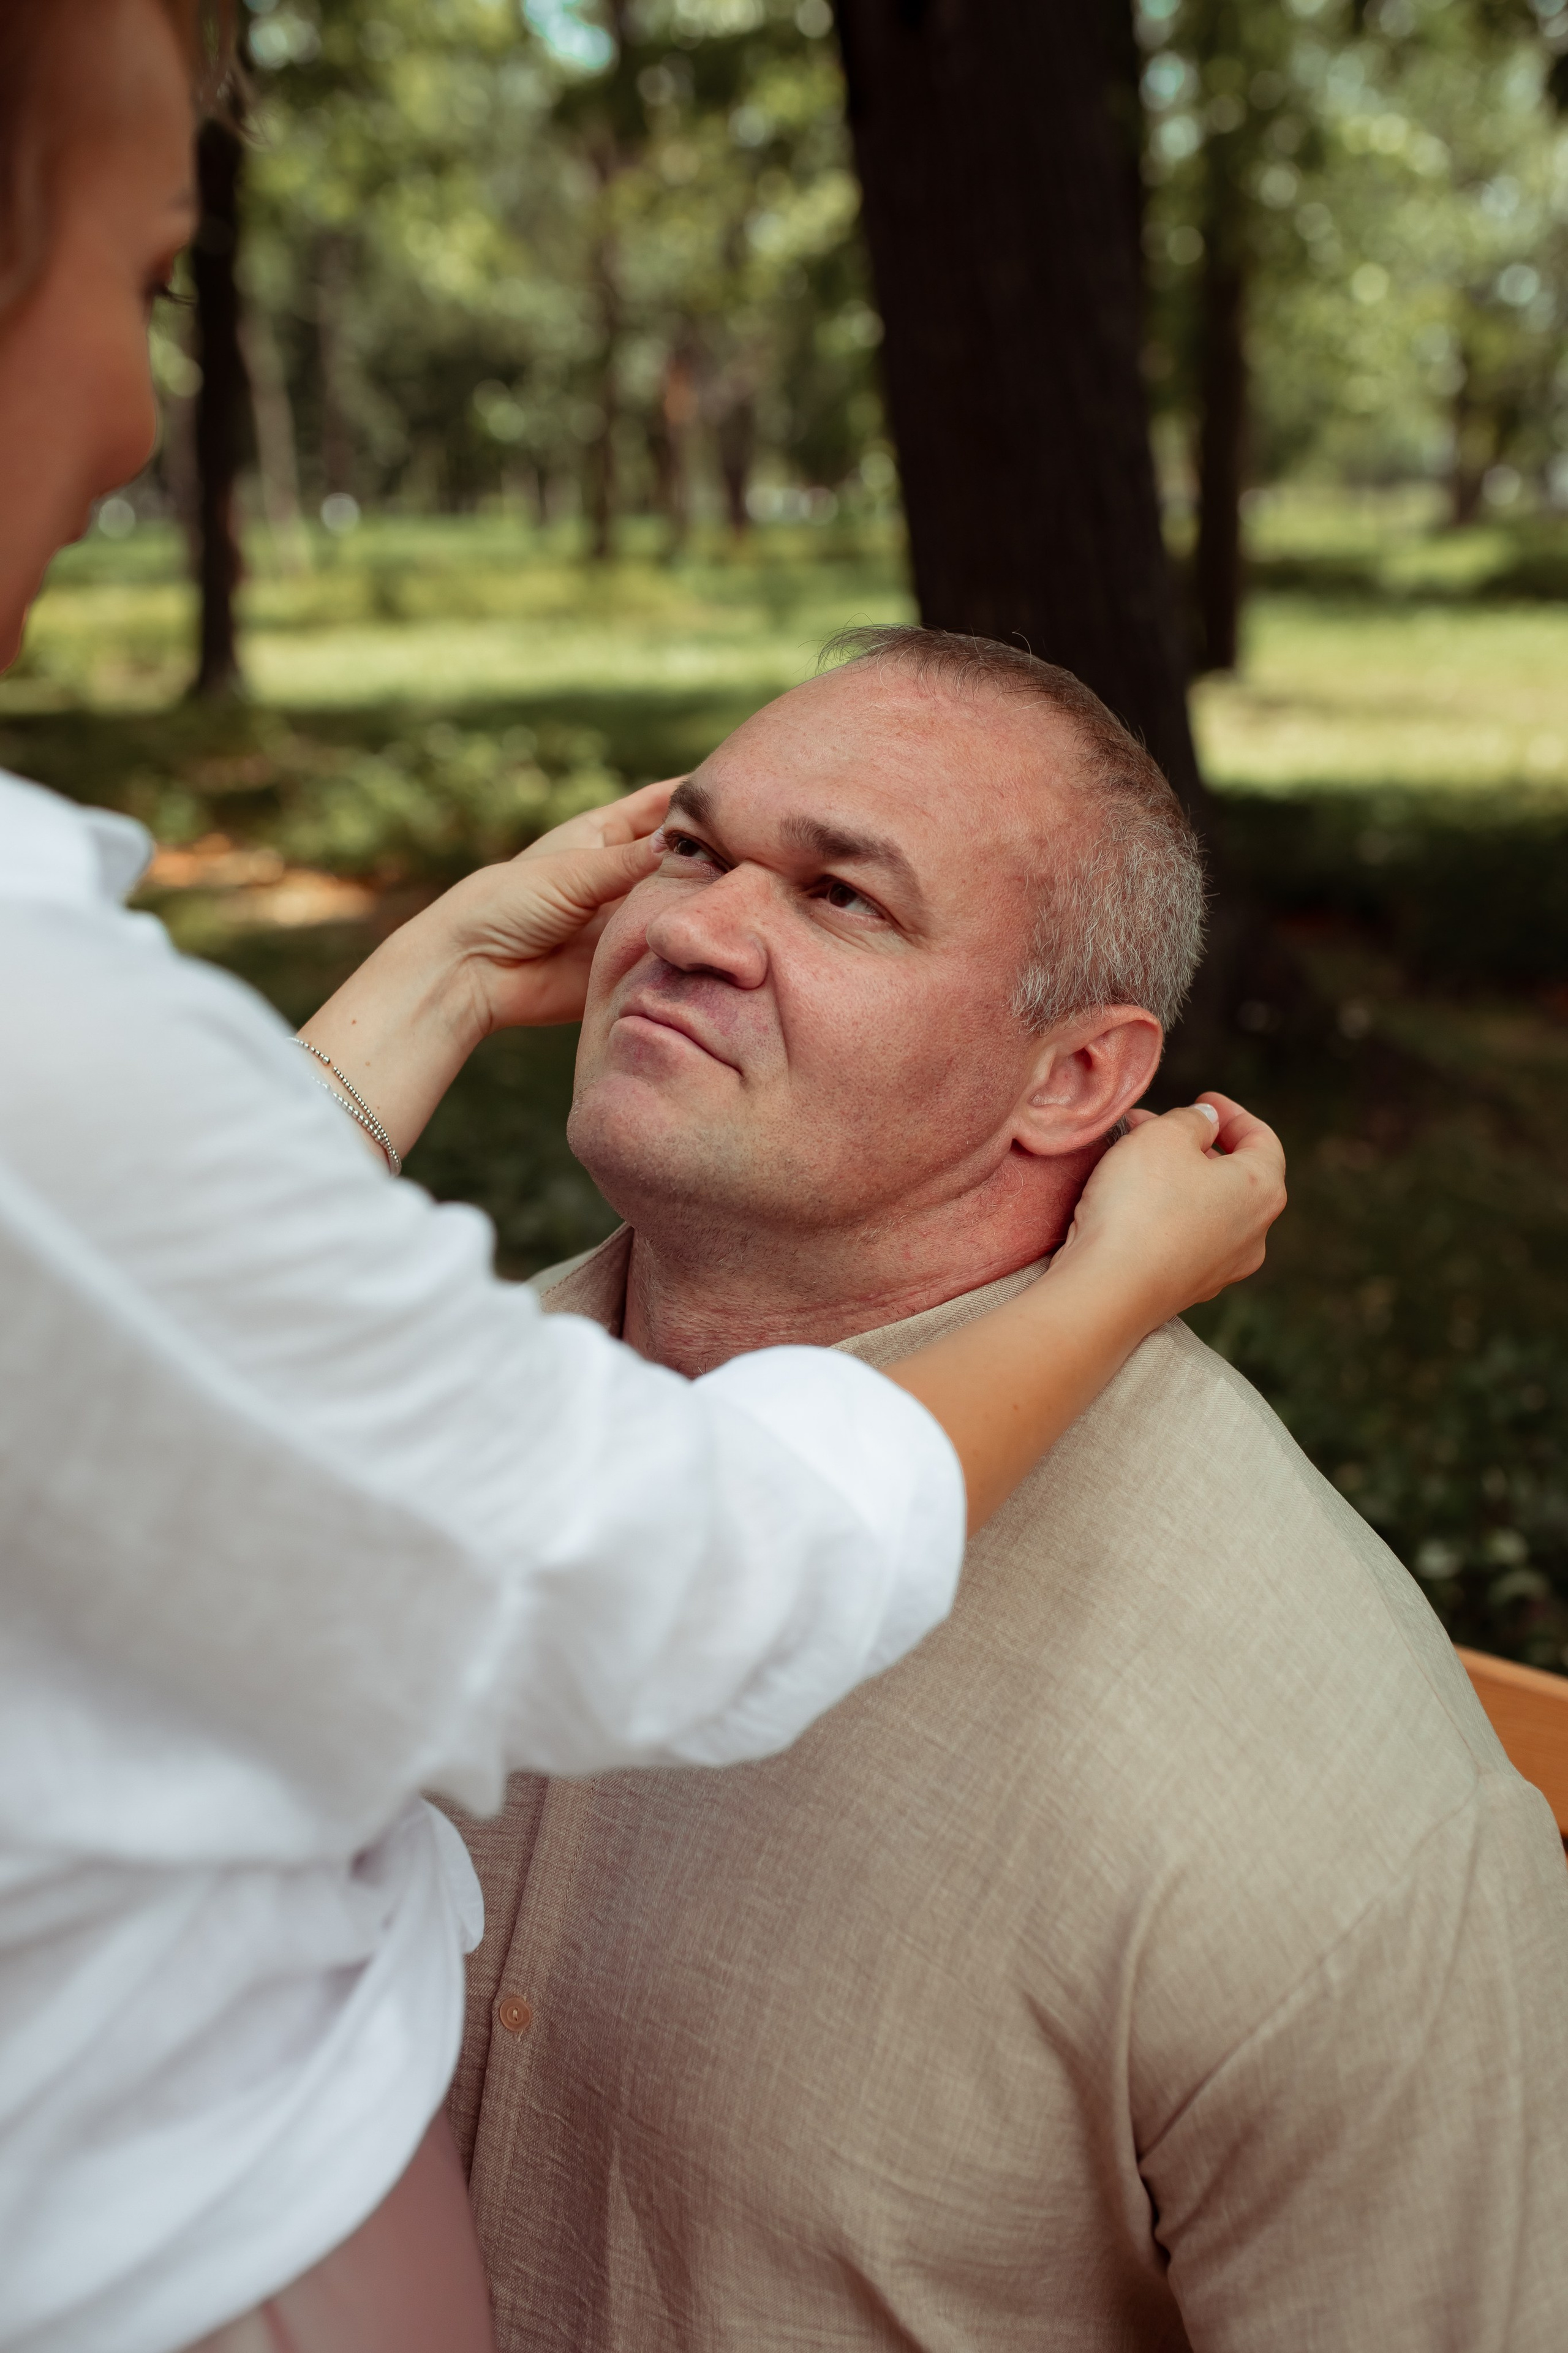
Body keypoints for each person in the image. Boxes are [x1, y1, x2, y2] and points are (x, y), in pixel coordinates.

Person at [0, 7, 1287, 2353]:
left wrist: (424, 966)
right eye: (140, 278)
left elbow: (84, 1313)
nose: (136, 413)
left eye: (842, 892)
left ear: (1083, 1070)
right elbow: (670, 1570)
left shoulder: (1283, 1785)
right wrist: (1122, 1281)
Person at [451, 626, 1568, 2353]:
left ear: (1075, 1080)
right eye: (691, 846)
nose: (685, 930)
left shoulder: (1332, 1809)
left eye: (843, 899)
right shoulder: (387, 1444)